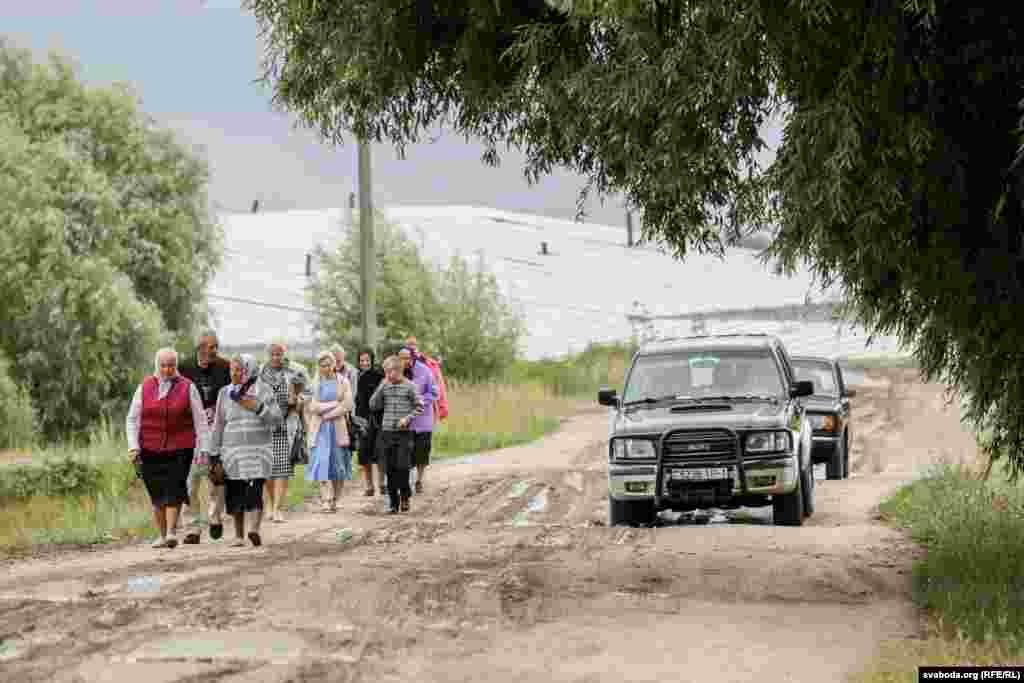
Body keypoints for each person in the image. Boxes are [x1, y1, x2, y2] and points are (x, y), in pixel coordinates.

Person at [126, 348, 211, 549]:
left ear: (176, 366)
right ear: (158, 365)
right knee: (156, 493)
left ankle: (172, 533)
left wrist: (204, 449)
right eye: (163, 365)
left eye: (171, 365)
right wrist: (133, 446)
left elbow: (200, 421)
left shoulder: (187, 387)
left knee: (174, 488)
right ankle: (162, 535)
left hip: (180, 447)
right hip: (149, 448)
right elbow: (132, 419)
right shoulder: (145, 387)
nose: (167, 369)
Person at [209, 353, 282, 547]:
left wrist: (258, 407)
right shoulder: (225, 393)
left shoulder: (264, 391)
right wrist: (213, 453)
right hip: (233, 454)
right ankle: (239, 536)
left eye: (239, 370)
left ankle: (254, 530)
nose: (234, 374)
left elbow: (276, 420)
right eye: (232, 370)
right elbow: (218, 424)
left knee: (255, 491)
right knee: (235, 494)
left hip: (258, 452)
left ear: (249, 370)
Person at [176, 331, 231, 543]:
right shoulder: (184, 368)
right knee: (190, 481)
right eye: (211, 346)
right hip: (191, 433)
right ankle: (192, 528)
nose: (215, 350)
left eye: (217, 346)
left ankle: (215, 517)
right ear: (200, 347)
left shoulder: (225, 367)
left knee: (217, 478)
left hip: (218, 432)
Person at [370, 355, 425, 513]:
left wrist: (407, 418)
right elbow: (373, 405)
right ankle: (393, 504)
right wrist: (381, 386)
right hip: (386, 432)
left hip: (404, 434)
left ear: (397, 370)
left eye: (388, 372)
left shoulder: (410, 386)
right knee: (390, 469)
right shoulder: (385, 385)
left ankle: (405, 496)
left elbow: (420, 406)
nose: (386, 375)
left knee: (402, 467)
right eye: (385, 372)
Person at [304, 350, 355, 512]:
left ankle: (336, 499)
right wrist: (334, 404)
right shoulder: (315, 383)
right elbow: (312, 406)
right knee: (321, 462)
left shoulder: (343, 381)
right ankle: (325, 499)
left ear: (333, 365)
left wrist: (328, 414)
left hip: (337, 427)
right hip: (319, 430)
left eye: (328, 365)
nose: (325, 368)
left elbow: (347, 405)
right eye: (322, 365)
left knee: (338, 463)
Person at [259, 341, 304, 522]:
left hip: (285, 425)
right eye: (273, 354)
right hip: (266, 425)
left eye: (279, 354)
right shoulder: (261, 373)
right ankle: (270, 502)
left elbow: (303, 394)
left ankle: (278, 508)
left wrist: (298, 400)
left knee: (282, 467)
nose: (276, 358)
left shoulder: (293, 372)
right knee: (268, 469)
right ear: (268, 356)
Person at [399, 346, 438, 494]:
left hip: (423, 421)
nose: (405, 361)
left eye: (407, 358)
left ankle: (419, 480)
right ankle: (407, 481)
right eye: (401, 358)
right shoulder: (396, 372)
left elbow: (434, 392)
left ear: (413, 358)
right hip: (405, 422)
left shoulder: (425, 370)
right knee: (406, 454)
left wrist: (420, 400)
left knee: (422, 452)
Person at [354, 348, 386, 496]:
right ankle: (369, 486)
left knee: (380, 452)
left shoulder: (379, 375)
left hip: (378, 419)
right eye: (362, 360)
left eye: (367, 360)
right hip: (361, 420)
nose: (364, 363)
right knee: (364, 453)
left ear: (372, 360)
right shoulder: (356, 375)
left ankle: (382, 483)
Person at [406, 336, 449, 423]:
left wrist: (442, 407)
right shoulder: (399, 362)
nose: (412, 346)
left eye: (413, 344)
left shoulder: (429, 363)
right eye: (410, 344)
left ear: (417, 346)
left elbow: (439, 386)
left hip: (426, 408)